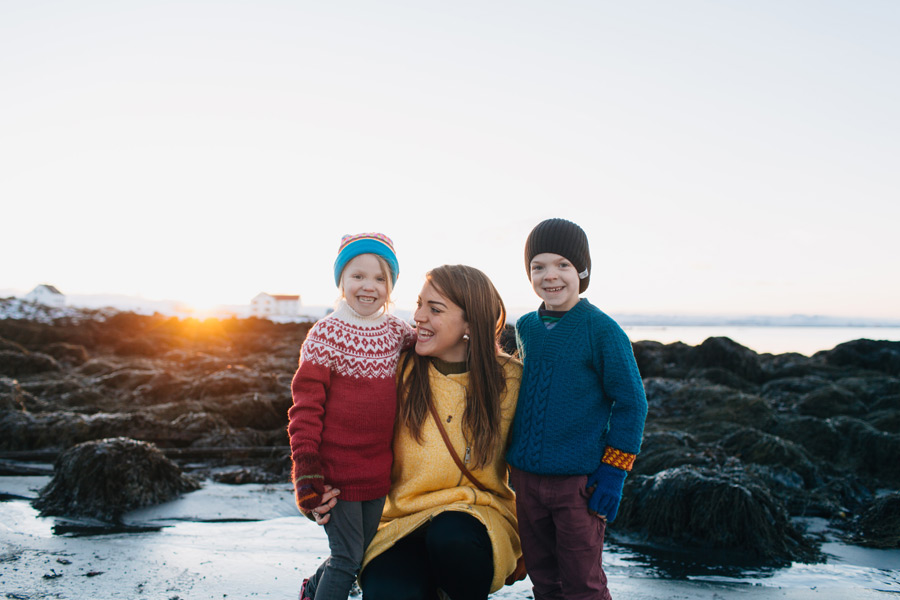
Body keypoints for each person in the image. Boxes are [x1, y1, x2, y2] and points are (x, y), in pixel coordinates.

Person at [311, 264, 524, 600]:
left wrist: (537, 540)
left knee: (451, 536)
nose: (419, 316)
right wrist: (321, 489)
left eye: (434, 309)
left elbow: (533, 461)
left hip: (475, 520)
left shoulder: (510, 380)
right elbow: (348, 436)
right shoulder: (397, 370)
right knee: (389, 595)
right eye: (419, 304)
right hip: (400, 523)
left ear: (470, 323)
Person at [506, 218, 648, 600]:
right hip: (525, 479)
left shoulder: (602, 330)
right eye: (538, 267)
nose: (550, 276)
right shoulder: (527, 328)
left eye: (562, 265)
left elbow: (632, 403)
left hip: (578, 485)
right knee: (544, 579)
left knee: (583, 583)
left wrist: (614, 473)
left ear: (581, 271)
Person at [287, 232, 416, 600]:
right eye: (357, 276)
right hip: (335, 473)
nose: (368, 286)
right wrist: (306, 468)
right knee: (346, 559)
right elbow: (305, 408)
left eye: (380, 278)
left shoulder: (395, 332)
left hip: (377, 470)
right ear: (341, 280)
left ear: (390, 285)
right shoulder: (325, 335)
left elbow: (429, 345)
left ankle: (311, 589)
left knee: (361, 555)